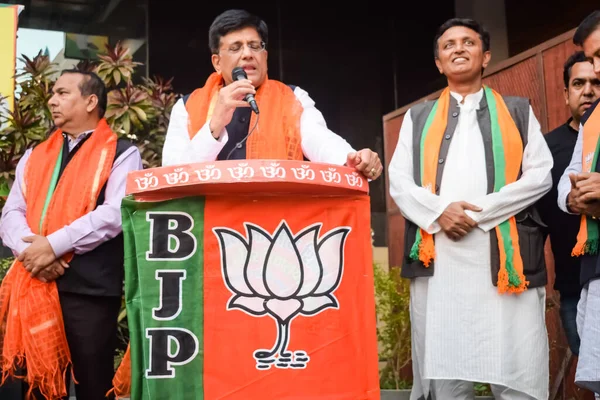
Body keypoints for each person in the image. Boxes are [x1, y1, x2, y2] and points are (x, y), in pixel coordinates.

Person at [388, 17, 553, 400]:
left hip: (505, 261)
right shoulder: (418, 118)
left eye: (468, 42)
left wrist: (476, 214)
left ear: (486, 56)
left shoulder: (517, 111)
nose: (458, 49)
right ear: (438, 63)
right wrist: (441, 211)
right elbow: (399, 181)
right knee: (446, 379)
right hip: (441, 261)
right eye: (448, 45)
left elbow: (541, 175)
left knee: (516, 369)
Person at [0, 69, 143, 399]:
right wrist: (32, 253)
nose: (52, 100)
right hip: (35, 282)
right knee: (36, 384)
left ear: (91, 101)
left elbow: (113, 215)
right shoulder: (35, 155)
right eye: (53, 94)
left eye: (63, 93)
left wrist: (52, 246)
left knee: (93, 384)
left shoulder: (122, 153)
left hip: (89, 292)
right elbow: (12, 213)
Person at [161, 9, 382, 180]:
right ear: (217, 62)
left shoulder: (292, 98)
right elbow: (173, 175)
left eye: (254, 46)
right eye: (236, 48)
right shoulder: (187, 106)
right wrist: (215, 125)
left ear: (265, 57)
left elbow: (320, 139)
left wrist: (353, 159)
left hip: (273, 227)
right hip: (208, 227)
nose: (247, 54)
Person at [538, 50, 600, 358]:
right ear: (565, 94)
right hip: (573, 285)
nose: (588, 90)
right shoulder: (544, 150)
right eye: (578, 83)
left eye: (595, 82)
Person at [557, 9, 600, 397]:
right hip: (593, 268)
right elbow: (565, 181)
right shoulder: (594, 120)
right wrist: (575, 198)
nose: (597, 73)